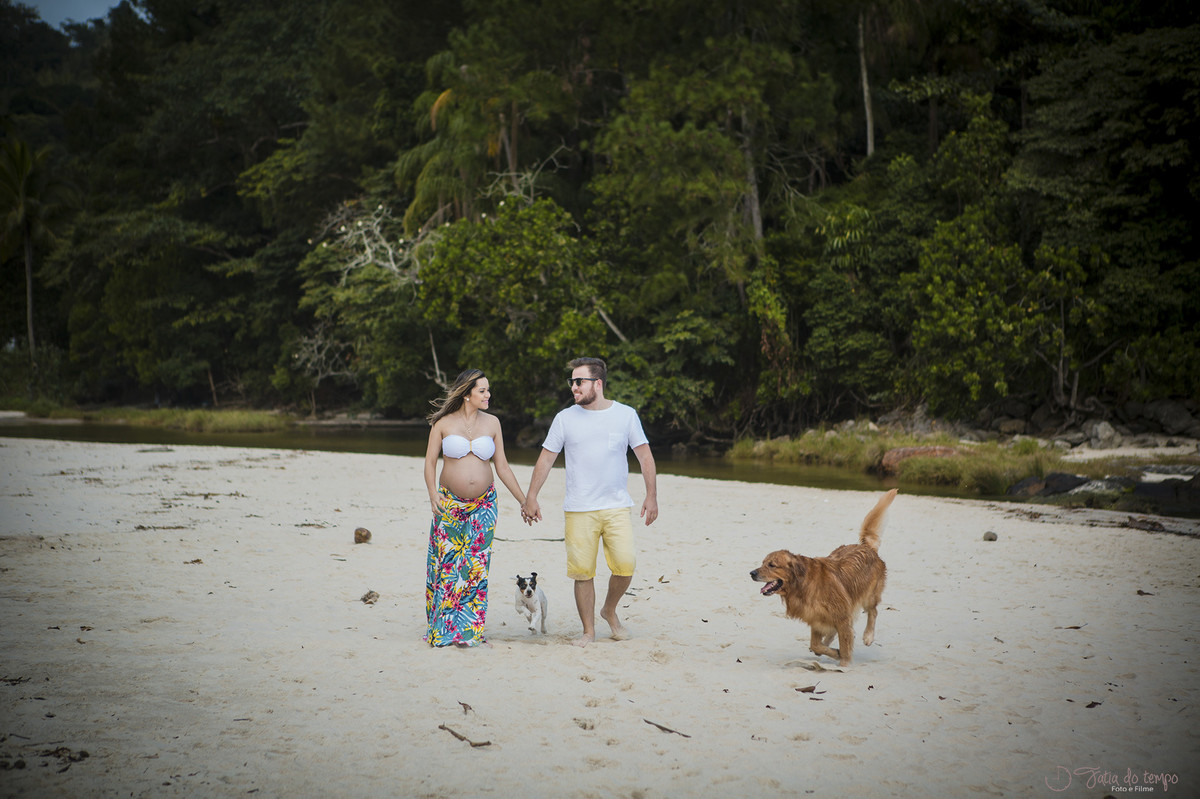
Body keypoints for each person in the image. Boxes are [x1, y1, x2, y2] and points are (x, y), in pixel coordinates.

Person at [523, 357, 658, 647]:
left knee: (625, 565)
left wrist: (652, 495)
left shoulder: (625, 415)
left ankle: (609, 610)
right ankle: (589, 631)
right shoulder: (565, 418)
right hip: (579, 508)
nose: (573, 386)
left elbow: (645, 456)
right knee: (583, 572)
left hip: (617, 505)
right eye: (571, 381)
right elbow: (546, 459)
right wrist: (531, 496)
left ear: (597, 383)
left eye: (579, 381)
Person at [423, 369, 528, 648]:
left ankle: (469, 632)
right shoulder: (443, 423)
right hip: (449, 503)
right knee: (448, 565)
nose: (488, 395)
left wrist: (524, 500)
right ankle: (444, 630)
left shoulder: (493, 423)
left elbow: (502, 466)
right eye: (482, 391)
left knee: (476, 567)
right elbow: (430, 462)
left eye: (488, 390)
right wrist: (433, 493)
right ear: (467, 393)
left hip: (484, 504)